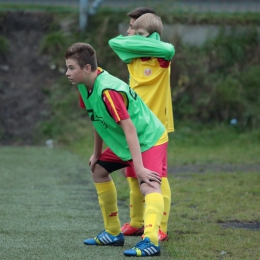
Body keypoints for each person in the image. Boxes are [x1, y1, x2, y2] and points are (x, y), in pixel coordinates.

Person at [65, 42, 169, 257]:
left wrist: (138, 167)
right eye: (66, 68)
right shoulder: (84, 86)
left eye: (71, 68)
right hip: (126, 140)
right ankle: (113, 233)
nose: (67, 73)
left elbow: (129, 128)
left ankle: (150, 240)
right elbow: (97, 120)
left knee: (148, 185)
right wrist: (96, 153)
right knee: (98, 170)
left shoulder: (108, 91)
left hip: (148, 139)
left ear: (86, 68)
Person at [109, 11, 175, 241]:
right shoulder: (131, 56)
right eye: (131, 30)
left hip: (156, 129)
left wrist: (142, 40)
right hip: (134, 126)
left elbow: (168, 49)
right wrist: (138, 39)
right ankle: (137, 222)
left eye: (138, 33)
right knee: (132, 174)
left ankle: (160, 226)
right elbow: (114, 42)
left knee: (157, 178)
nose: (132, 36)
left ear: (153, 36)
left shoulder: (162, 56)